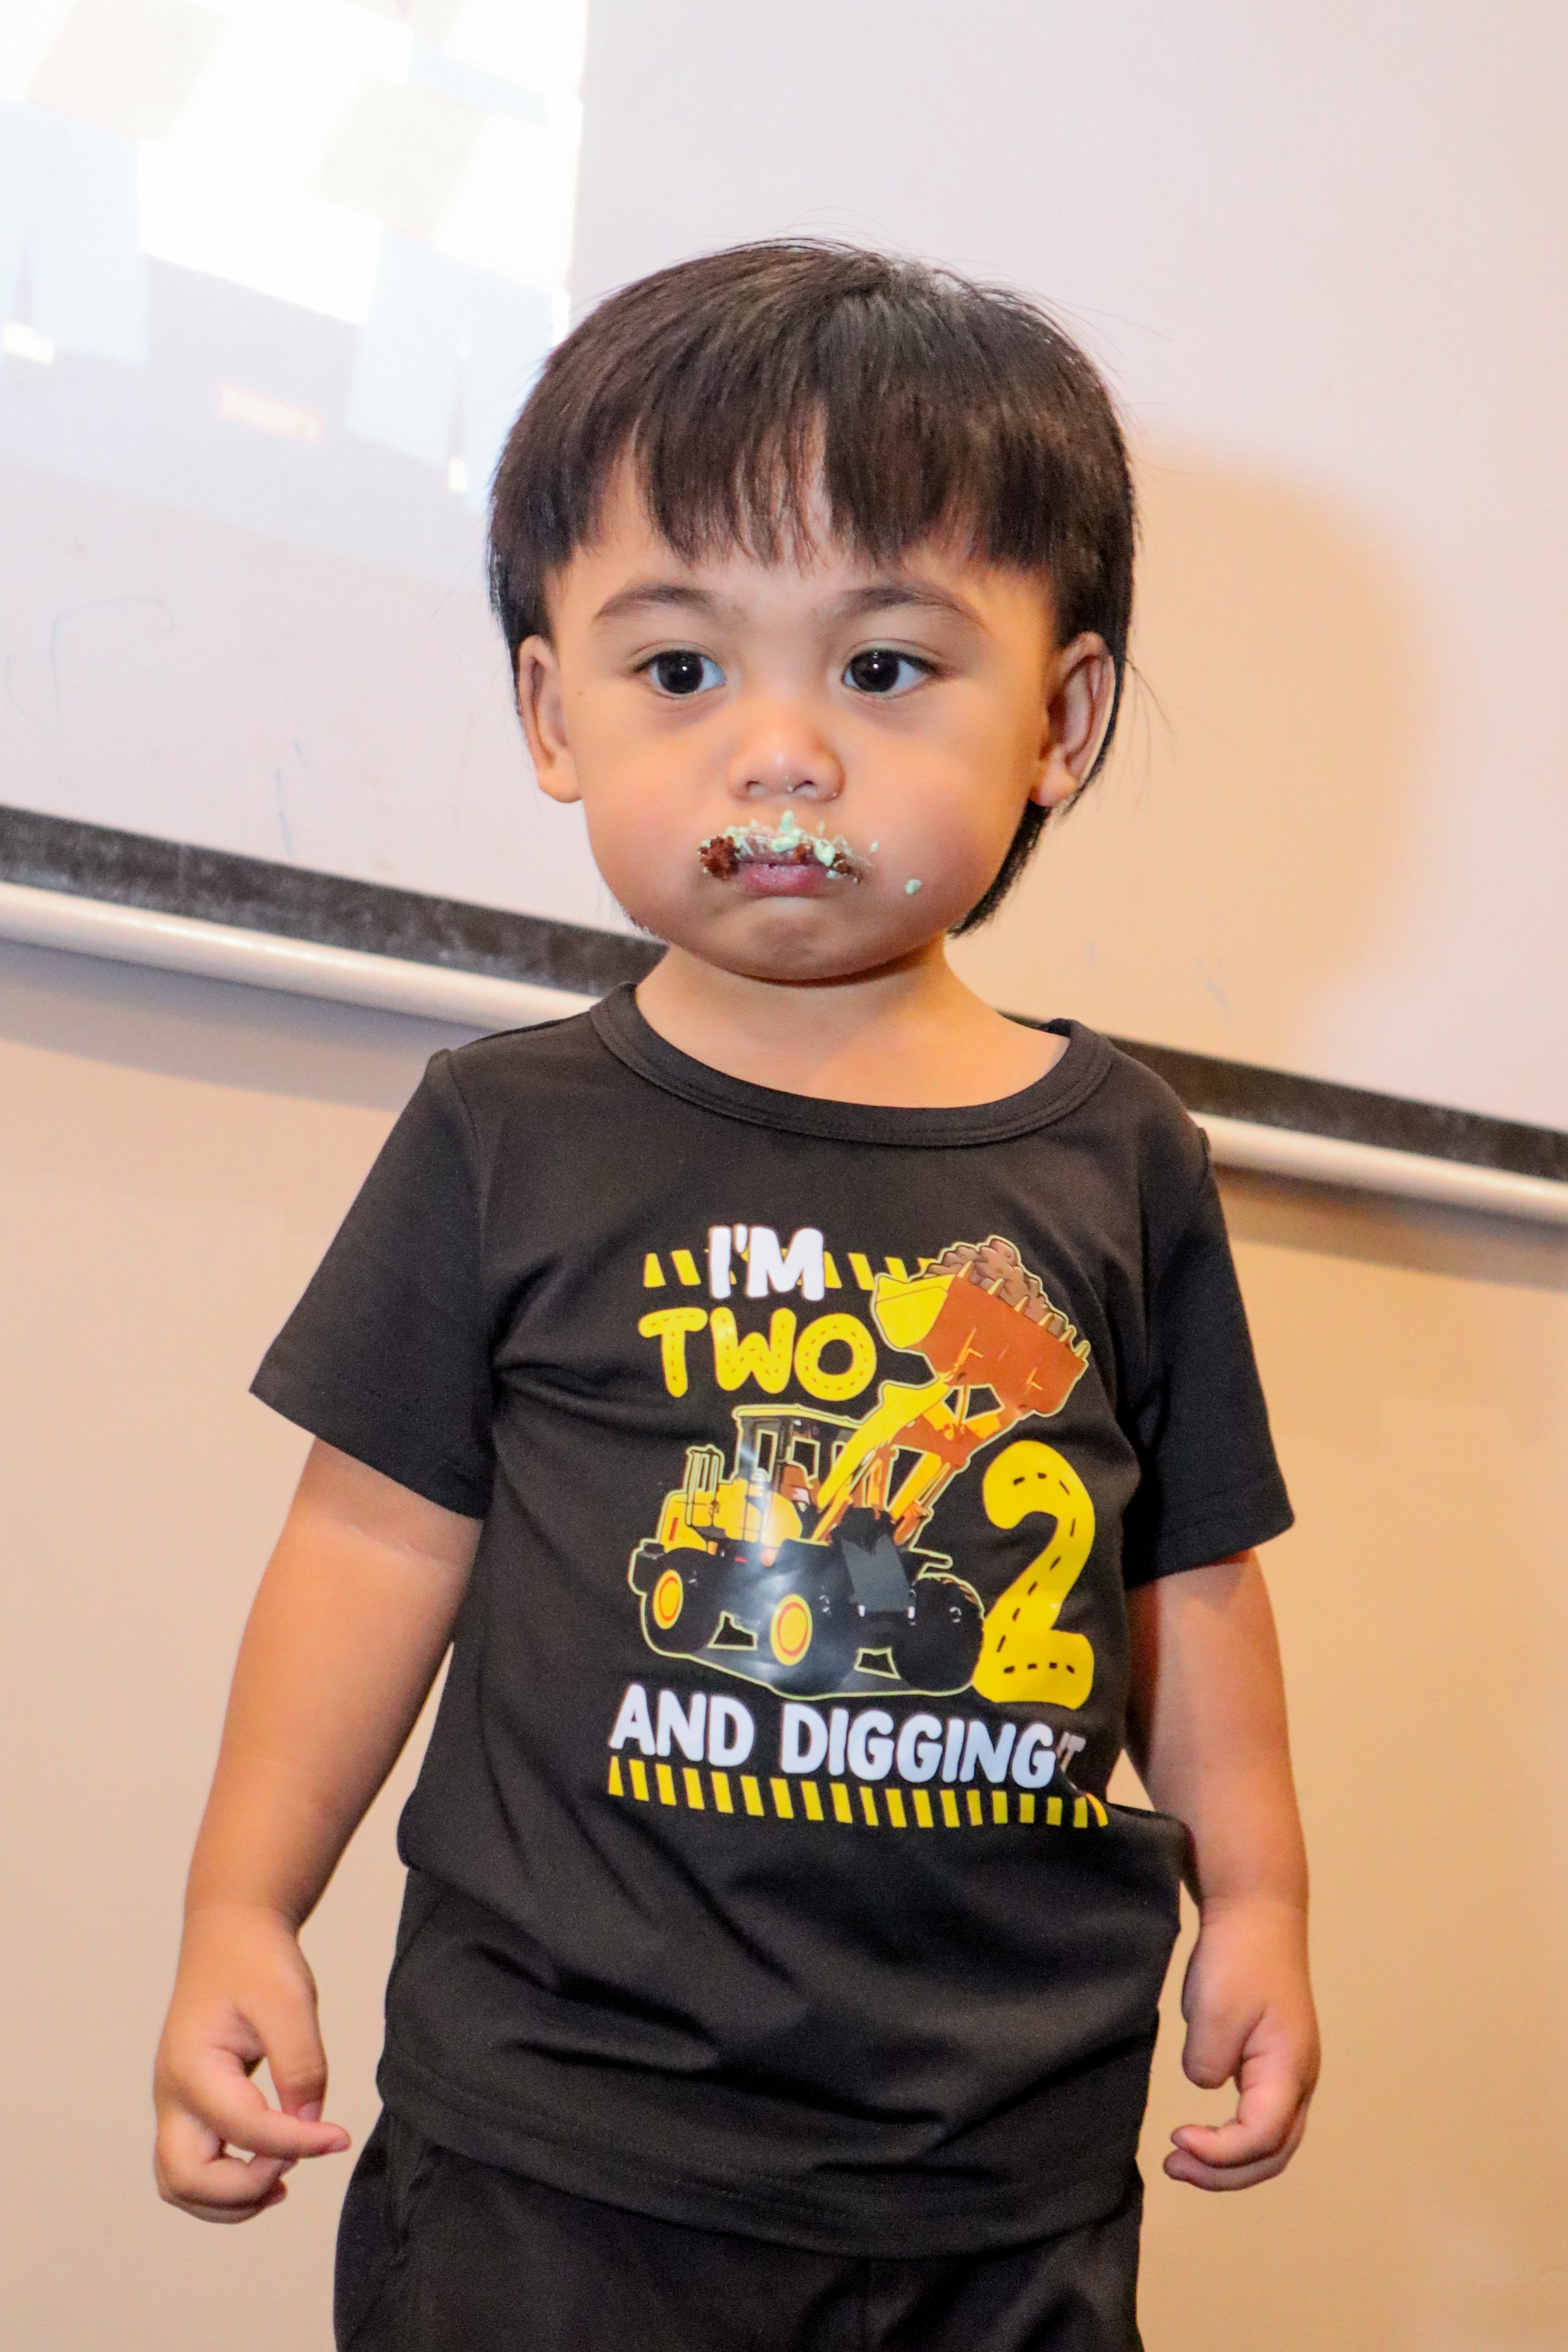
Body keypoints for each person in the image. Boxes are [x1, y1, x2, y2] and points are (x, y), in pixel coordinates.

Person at [152, 242, 1318, 2351]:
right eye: (680, 671)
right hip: (560, 2152)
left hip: (998, 2161)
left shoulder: (1115, 1157)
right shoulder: (507, 1130)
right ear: (548, 711)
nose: (778, 757)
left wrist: (1260, 1896)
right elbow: (364, 1542)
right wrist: (242, 1907)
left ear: (1056, 721)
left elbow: (1192, 1580)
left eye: (883, 671)